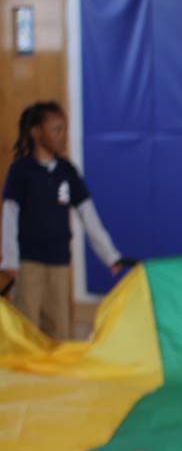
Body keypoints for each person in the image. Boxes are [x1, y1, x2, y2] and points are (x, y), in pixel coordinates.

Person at [1, 101, 129, 339]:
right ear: (36, 132)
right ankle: (26, 374)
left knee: (59, 327)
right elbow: (10, 216)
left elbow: (89, 216)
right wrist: (9, 259)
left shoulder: (67, 172)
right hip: (28, 263)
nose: (63, 136)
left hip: (59, 262)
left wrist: (109, 255)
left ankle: (56, 374)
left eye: (65, 129)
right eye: (56, 130)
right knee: (26, 327)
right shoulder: (21, 171)